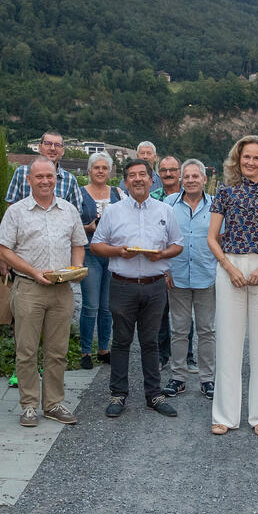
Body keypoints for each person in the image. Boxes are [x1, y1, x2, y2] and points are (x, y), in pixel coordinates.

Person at [207, 135, 258, 437]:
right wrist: (229, 267)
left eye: (257, 158)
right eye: (247, 157)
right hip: (230, 266)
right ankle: (225, 416)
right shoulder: (225, 193)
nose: (251, 162)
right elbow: (212, 238)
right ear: (238, 159)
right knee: (228, 343)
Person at [0, 157, 88, 427]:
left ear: (56, 178)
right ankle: (29, 405)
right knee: (26, 351)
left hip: (61, 290)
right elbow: (2, 250)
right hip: (28, 288)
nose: (45, 181)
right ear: (29, 180)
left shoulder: (69, 210)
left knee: (57, 351)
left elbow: (78, 244)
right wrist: (34, 271)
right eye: (39, 177)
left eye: (50, 176)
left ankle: (54, 404)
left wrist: (76, 268)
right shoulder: (17, 212)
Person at [90, 159, 183, 419]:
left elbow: (178, 244)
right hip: (123, 284)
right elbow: (96, 245)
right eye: (132, 175)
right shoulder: (113, 211)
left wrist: (163, 254)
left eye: (143, 174)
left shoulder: (165, 210)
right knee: (120, 341)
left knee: (150, 342)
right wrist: (118, 251)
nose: (138, 179)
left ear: (151, 179)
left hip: (154, 286)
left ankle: (154, 394)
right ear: (126, 181)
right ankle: (118, 394)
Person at [162, 159, 218, 401]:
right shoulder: (168, 205)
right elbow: (160, 239)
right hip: (177, 277)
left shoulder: (216, 206)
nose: (192, 180)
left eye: (197, 176)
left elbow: (222, 240)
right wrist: (164, 270)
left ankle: (207, 379)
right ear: (181, 179)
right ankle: (178, 378)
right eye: (188, 176)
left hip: (207, 276)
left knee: (207, 330)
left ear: (204, 180)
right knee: (179, 330)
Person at [77, 152, 122, 369]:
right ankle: (85, 351)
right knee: (90, 305)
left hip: (111, 254)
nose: (101, 171)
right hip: (89, 252)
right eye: (97, 167)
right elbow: (71, 223)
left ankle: (104, 349)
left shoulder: (118, 193)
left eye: (105, 168)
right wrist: (87, 228)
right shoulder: (79, 193)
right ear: (89, 171)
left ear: (110, 171)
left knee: (107, 307)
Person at [151, 155, 185, 367]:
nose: (168, 174)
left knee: (183, 315)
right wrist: (162, 268)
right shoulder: (152, 197)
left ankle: (186, 355)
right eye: (163, 170)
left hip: (184, 263)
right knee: (160, 313)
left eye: (173, 170)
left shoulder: (190, 195)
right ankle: (162, 355)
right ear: (158, 173)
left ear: (179, 172)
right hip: (159, 263)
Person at [4, 130, 81, 208]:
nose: (52, 148)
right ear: (39, 147)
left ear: (63, 151)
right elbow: (11, 206)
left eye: (57, 145)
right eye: (48, 144)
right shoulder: (22, 173)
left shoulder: (70, 180)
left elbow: (75, 213)